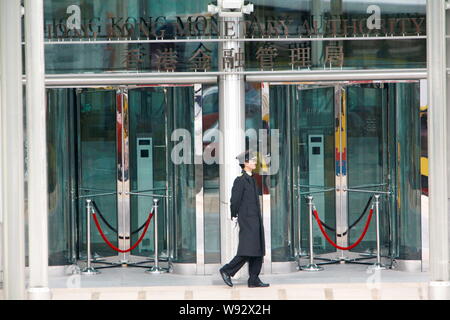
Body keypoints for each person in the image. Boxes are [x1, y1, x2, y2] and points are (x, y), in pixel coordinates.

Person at [219, 150, 269, 288]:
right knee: (247, 250)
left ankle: (254, 279)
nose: (254, 162)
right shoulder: (240, 180)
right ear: (245, 163)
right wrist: (233, 215)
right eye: (252, 160)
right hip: (247, 220)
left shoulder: (252, 179)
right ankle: (227, 270)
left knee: (258, 250)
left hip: (255, 219)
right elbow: (234, 200)